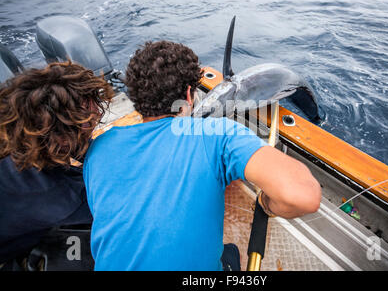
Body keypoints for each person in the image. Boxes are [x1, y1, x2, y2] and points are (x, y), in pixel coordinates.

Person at [83, 41, 322, 271]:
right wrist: (265, 203)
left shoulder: (99, 146)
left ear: (135, 97)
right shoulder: (217, 134)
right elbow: (303, 197)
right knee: (230, 253)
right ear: (189, 95)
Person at [0, 61, 114, 268]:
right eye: (86, 120)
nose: (97, 112)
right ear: (62, 136)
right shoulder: (67, 199)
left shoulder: (13, 131)